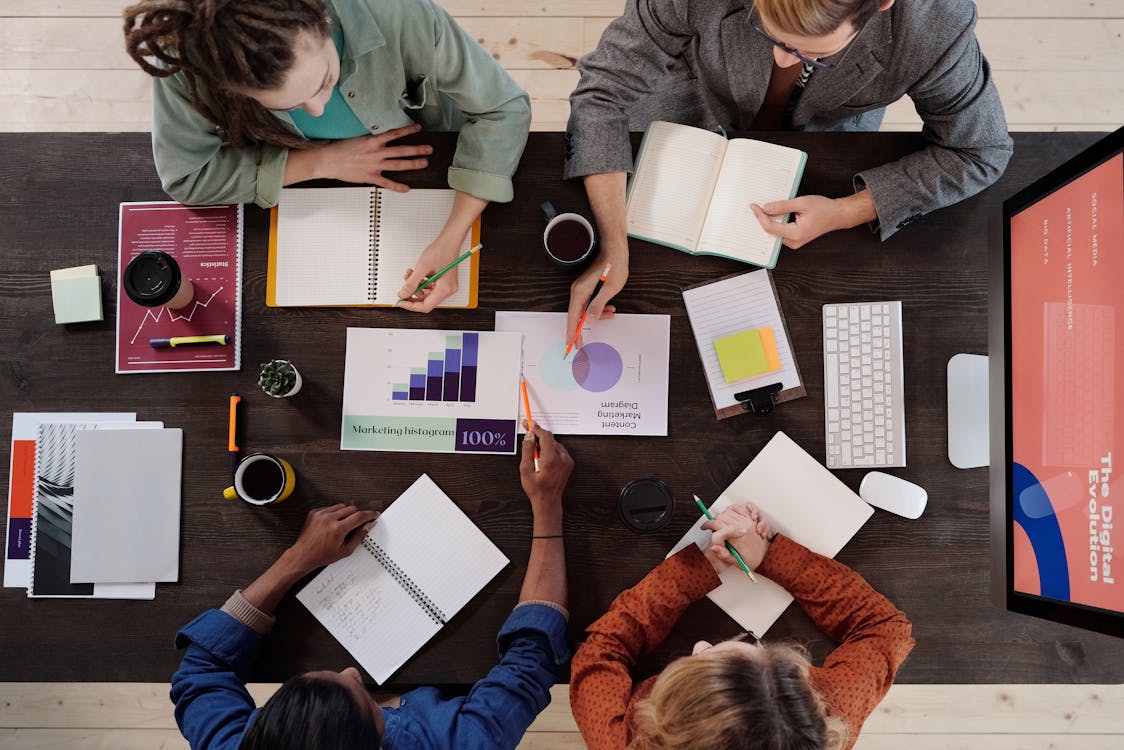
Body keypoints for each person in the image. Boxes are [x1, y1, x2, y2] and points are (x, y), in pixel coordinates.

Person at [562, 0, 1013, 345]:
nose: (782, 60)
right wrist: (613, 241)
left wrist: (846, 211)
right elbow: (602, 95)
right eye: (767, 28)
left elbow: (980, 150)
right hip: (694, 82)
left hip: (828, 129)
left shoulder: (934, 24)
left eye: (810, 52)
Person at [171, 424, 572, 750]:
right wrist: (548, 502)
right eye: (365, 700)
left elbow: (202, 669)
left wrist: (297, 558)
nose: (350, 671)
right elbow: (531, 656)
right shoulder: (464, 742)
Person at [123, 0, 531, 311]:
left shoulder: (398, 12)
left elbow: (503, 108)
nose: (317, 110)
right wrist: (320, 162)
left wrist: (451, 238)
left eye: (325, 82)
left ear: (322, 18)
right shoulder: (191, 60)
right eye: (287, 107)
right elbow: (187, 178)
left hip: (436, 141)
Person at [570, 502, 915, 749]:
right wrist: (768, 556)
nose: (700, 646)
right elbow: (885, 628)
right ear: (801, 689)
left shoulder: (622, 742)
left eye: (700, 661)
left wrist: (699, 568)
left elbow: (599, 653)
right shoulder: (827, 717)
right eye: (753, 645)